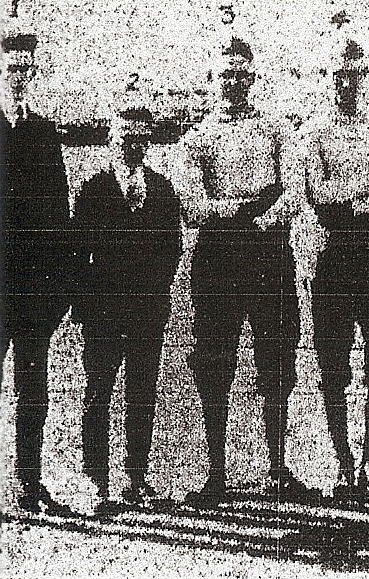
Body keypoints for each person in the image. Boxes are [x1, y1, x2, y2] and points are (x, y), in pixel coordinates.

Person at [278, 40, 369, 501]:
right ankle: (342, 466)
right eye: (338, 73)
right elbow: (314, 191)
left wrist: (360, 202)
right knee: (332, 364)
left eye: (354, 73)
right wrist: (368, 193)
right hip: (334, 255)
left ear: (364, 76)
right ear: (327, 76)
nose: (345, 81)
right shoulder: (313, 132)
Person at [178, 37, 305, 504]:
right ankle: (216, 473)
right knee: (214, 360)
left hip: (268, 252)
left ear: (253, 78)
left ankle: (276, 468)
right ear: (214, 80)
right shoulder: (198, 140)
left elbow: (294, 188)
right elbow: (192, 206)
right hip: (219, 257)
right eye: (225, 74)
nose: (233, 82)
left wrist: (266, 218)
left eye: (241, 74)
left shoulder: (274, 130)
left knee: (276, 357)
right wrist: (235, 213)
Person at [75, 103, 181, 513]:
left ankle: (136, 477)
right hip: (103, 311)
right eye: (124, 137)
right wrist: (88, 307)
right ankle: (95, 481)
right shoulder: (94, 189)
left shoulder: (161, 189)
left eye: (140, 138)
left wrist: (156, 296)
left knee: (141, 392)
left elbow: (171, 248)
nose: (131, 145)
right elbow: (78, 254)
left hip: (147, 309)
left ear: (148, 143)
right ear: (110, 139)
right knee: (98, 390)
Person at [3, 32, 76, 515]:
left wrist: (58, 290)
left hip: (30, 291)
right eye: (12, 70)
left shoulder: (44, 134)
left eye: (28, 71)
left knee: (33, 388)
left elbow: (59, 219)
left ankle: (28, 482)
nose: (20, 79)